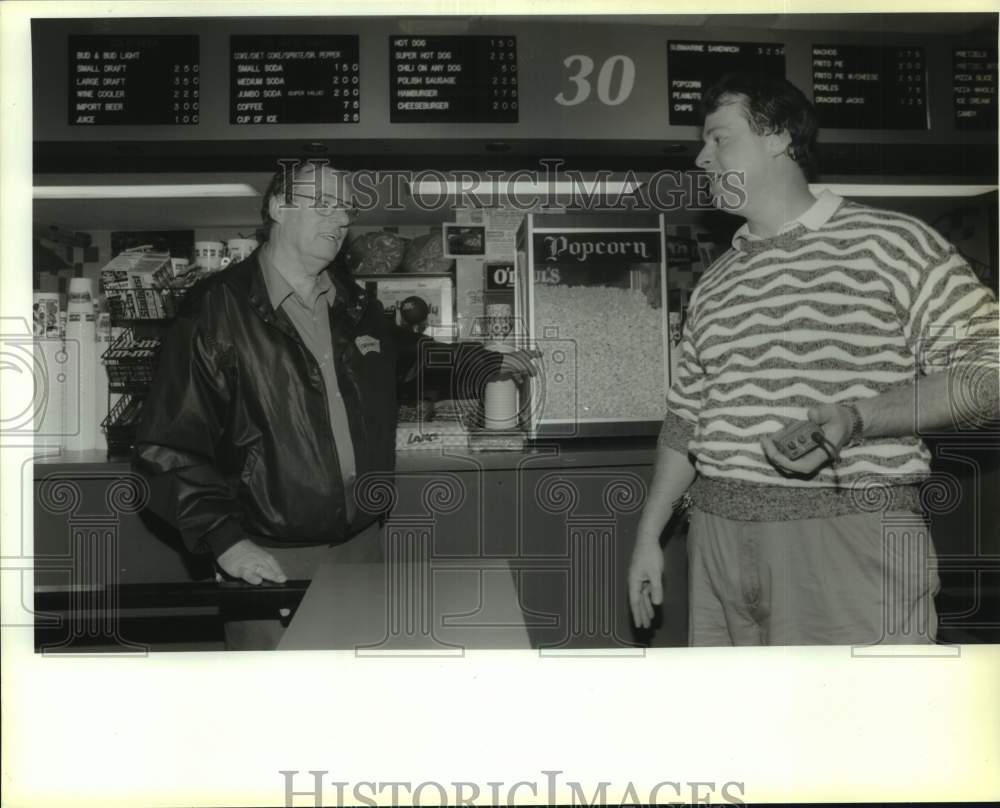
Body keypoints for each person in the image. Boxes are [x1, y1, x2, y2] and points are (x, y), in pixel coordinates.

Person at [628, 74, 999, 646]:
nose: (702, 158)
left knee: (858, 726)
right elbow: (685, 423)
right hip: (716, 544)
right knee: (738, 729)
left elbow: (988, 372)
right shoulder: (716, 282)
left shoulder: (892, 243)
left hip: (847, 532)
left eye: (719, 139)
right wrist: (649, 536)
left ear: (777, 138)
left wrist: (857, 418)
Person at [134, 159, 538, 649]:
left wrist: (485, 362)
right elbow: (167, 443)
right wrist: (224, 539)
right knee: (278, 707)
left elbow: (409, 360)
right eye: (323, 204)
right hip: (269, 556)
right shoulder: (215, 308)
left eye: (345, 207)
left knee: (355, 704)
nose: (341, 219)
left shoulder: (353, 304)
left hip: (361, 545)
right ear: (278, 208)